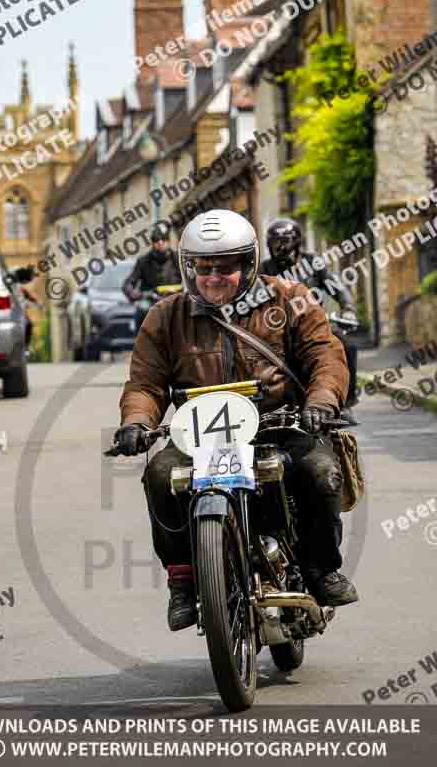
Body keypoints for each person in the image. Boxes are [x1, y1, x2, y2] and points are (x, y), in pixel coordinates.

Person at [114, 209, 358, 632]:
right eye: (203, 267)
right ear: (188, 268)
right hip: (199, 434)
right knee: (159, 473)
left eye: (226, 267)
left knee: (320, 471)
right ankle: (185, 581)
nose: (213, 277)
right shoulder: (165, 316)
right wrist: (136, 421)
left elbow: (326, 355)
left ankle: (320, 569)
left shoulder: (291, 298)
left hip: (279, 423)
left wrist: (321, 401)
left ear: (248, 263)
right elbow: (145, 382)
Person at [261, 218, 359, 410]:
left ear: (296, 242)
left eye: (283, 242)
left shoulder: (313, 263)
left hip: (314, 325)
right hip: (279, 329)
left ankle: (346, 400)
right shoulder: (265, 269)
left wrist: (348, 308)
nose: (279, 247)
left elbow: (336, 286)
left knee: (346, 345)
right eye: (274, 242)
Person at [122, 228, 181, 331]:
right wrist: (133, 293)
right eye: (156, 240)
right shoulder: (143, 261)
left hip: (175, 302)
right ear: (152, 243)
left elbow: (192, 278)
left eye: (163, 239)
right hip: (151, 302)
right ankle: (142, 341)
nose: (160, 242)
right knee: (142, 309)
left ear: (168, 241)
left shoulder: (178, 259)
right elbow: (129, 282)